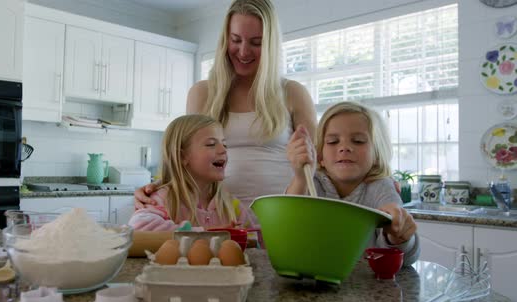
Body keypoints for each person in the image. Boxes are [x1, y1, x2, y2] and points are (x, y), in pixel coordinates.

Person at [135, 0, 317, 209]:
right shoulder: (202, 93)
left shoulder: (293, 93)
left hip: (282, 219)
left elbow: (316, 167)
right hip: (218, 220)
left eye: (256, 42)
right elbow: (187, 163)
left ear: (270, 46)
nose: (243, 51)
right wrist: (157, 188)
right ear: (225, 39)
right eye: (236, 40)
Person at [286, 101, 420, 265]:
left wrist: (397, 237)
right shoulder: (310, 183)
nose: (344, 147)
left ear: (377, 154)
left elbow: (406, 258)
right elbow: (286, 229)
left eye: (358, 141)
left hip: (365, 287)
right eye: (333, 142)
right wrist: (300, 178)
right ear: (320, 156)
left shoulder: (381, 187)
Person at [128, 114, 259, 231]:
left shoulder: (232, 206)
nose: (223, 150)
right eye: (211, 144)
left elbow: (253, 241)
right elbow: (139, 226)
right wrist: (203, 233)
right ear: (182, 157)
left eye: (225, 144)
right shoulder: (164, 199)